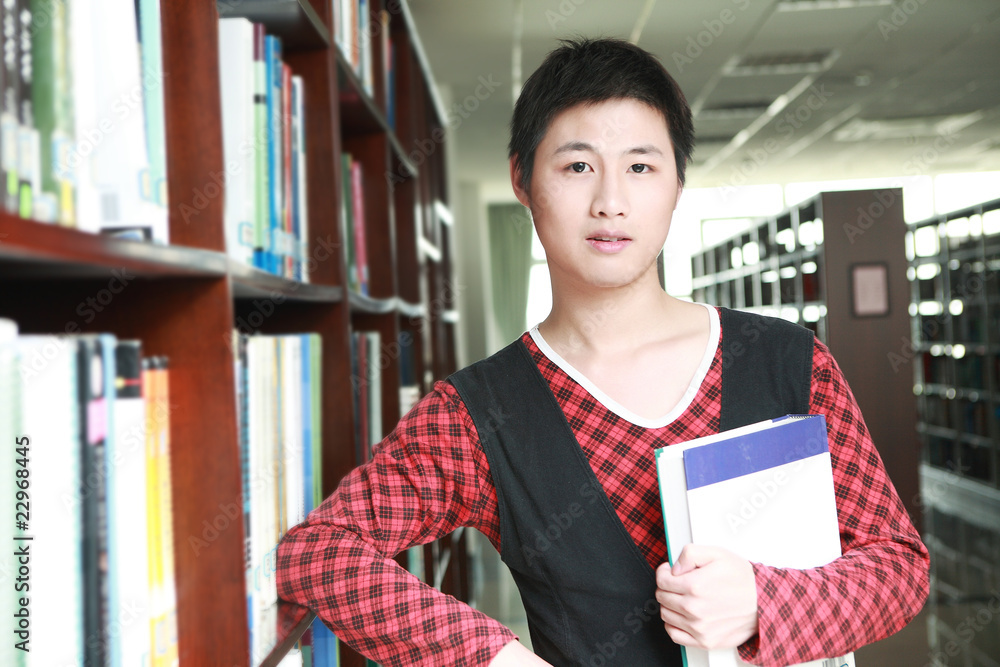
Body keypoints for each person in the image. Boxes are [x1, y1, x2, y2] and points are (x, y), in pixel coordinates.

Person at [277, 37, 928, 666]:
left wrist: (768, 601)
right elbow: (317, 551)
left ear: (676, 185)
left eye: (641, 166)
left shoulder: (789, 361)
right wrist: (493, 654)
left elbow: (898, 565)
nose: (610, 201)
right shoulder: (478, 414)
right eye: (577, 165)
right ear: (523, 180)